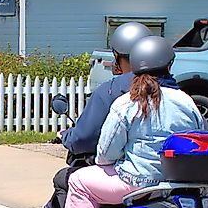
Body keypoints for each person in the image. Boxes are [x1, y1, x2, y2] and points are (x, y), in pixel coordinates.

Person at [60, 36, 206, 208]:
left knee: (78, 180)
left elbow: (106, 153)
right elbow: (200, 137)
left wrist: (108, 161)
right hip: (178, 186)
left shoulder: (127, 102)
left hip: (135, 184)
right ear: (170, 65)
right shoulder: (187, 102)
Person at [60, 22, 163, 156]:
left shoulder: (110, 91)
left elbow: (83, 140)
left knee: (63, 177)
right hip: (170, 167)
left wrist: (66, 136)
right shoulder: (174, 91)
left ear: (118, 56)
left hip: (129, 169)